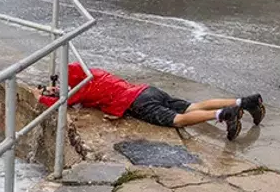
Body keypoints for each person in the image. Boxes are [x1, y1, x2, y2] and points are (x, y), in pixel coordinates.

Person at [32, 63, 265, 141]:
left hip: (137, 103)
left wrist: (39, 95)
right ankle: (245, 101)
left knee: (178, 120)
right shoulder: (95, 74)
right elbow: (78, 88)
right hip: (147, 90)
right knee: (193, 106)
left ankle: (224, 115)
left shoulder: (81, 90)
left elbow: (62, 102)